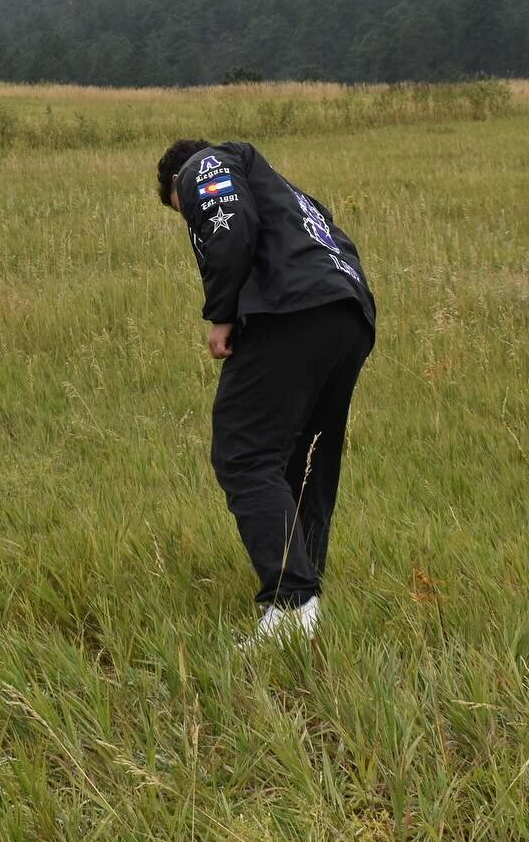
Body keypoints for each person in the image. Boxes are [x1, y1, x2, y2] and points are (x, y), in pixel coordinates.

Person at [156, 138, 376, 648]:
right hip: (348, 313)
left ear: (174, 186)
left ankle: (292, 601)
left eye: (180, 212)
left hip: (292, 312)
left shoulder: (202, 166)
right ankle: (308, 598)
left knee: (244, 452)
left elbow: (228, 225)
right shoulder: (283, 189)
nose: (187, 218)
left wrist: (222, 315)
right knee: (306, 458)